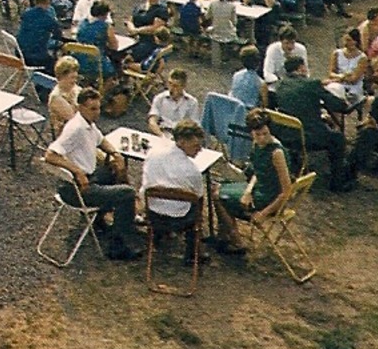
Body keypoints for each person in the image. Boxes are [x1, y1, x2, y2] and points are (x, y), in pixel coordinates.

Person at [44, 88, 144, 260]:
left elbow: (101, 140)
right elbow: (50, 155)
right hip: (74, 189)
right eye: (92, 109)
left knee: (112, 171)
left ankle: (102, 221)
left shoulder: (88, 124)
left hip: (88, 179)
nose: (97, 113)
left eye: (98, 108)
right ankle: (118, 246)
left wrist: (115, 154)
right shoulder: (75, 128)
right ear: (80, 107)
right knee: (126, 193)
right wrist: (76, 170)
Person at [142, 121, 244, 263]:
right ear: (182, 142)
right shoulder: (192, 171)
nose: (200, 149)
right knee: (196, 204)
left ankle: (157, 236)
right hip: (180, 220)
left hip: (152, 213)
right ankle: (193, 251)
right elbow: (198, 197)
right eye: (196, 145)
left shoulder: (153, 153)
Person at [270, 57, 354, 190]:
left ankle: (295, 162)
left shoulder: (280, 85)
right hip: (308, 136)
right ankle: (337, 181)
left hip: (285, 133)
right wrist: (346, 104)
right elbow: (338, 105)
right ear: (301, 68)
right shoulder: (312, 84)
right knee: (338, 138)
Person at [216, 110, 291, 247]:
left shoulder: (276, 153)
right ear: (251, 133)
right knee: (221, 185)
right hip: (258, 189)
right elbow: (258, 171)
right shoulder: (257, 144)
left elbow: (286, 190)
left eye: (265, 134)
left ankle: (236, 242)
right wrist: (248, 191)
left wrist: (264, 213)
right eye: (257, 135)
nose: (262, 138)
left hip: (270, 198)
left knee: (218, 195)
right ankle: (224, 236)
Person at [17, 0, 65, 70]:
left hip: (20, 52)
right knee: (57, 67)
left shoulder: (26, 13)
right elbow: (58, 35)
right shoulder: (48, 18)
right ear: (48, 2)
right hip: (35, 57)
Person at [325, 28, 370, 112]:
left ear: (355, 41)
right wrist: (343, 76)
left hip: (353, 88)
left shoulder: (362, 58)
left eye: (349, 40)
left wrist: (337, 78)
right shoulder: (336, 53)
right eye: (345, 40)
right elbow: (331, 73)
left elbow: (354, 79)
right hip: (338, 82)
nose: (346, 43)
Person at [147, 68, 200, 136]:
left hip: (181, 135)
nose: (171, 88)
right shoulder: (160, 98)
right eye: (170, 83)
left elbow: (194, 125)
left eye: (175, 86)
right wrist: (161, 135)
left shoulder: (192, 102)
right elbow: (152, 121)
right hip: (162, 131)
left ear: (183, 86)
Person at [74, 0, 119, 79]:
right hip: (96, 62)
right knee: (112, 72)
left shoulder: (82, 23)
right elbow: (114, 46)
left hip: (79, 60)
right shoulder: (106, 26)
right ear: (105, 14)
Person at [47, 55, 82, 138]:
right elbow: (75, 121)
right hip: (67, 138)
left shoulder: (75, 89)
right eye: (72, 78)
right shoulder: (56, 97)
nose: (75, 81)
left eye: (76, 77)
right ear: (62, 77)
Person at [205, 0, 241, 65]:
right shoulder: (232, 6)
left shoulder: (212, 4)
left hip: (215, 30)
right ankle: (227, 55)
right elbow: (234, 21)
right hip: (228, 32)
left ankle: (215, 61)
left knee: (212, 32)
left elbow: (207, 16)